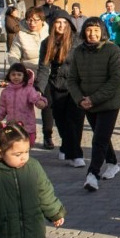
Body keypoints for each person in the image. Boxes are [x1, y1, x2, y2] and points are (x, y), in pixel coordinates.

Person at [68, 17, 120, 192]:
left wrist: (94, 99)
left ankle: (92, 174)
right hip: (87, 103)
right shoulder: (78, 52)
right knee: (102, 136)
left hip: (109, 103)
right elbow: (72, 80)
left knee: (98, 138)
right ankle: (113, 163)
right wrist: (80, 99)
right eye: (89, 30)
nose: (92, 34)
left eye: (96, 30)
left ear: (102, 32)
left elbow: (115, 80)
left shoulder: (112, 50)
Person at [36, 10, 85, 167]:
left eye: (65, 23)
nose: (61, 26)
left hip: (76, 86)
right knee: (61, 120)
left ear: (69, 24)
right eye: (58, 22)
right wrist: (39, 89)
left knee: (74, 120)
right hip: (56, 84)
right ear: (53, 24)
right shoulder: (46, 43)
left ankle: (76, 155)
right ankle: (66, 146)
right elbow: (43, 68)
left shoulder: (77, 41)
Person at [8, 7, 54, 149]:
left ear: (42, 20)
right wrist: (19, 69)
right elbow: (13, 55)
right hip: (28, 74)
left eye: (35, 20)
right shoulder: (21, 35)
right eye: (29, 20)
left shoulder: (50, 32)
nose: (32, 23)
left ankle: (48, 136)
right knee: (24, 107)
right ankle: (23, 135)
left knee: (47, 105)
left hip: (45, 73)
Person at [0, 63, 48, 147]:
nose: (16, 77)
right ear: (9, 76)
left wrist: (40, 103)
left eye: (19, 75)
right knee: (13, 147)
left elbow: (36, 98)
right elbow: (3, 109)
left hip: (27, 126)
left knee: (27, 145)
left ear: (24, 76)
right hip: (12, 126)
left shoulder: (29, 90)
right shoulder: (5, 92)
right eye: (13, 75)